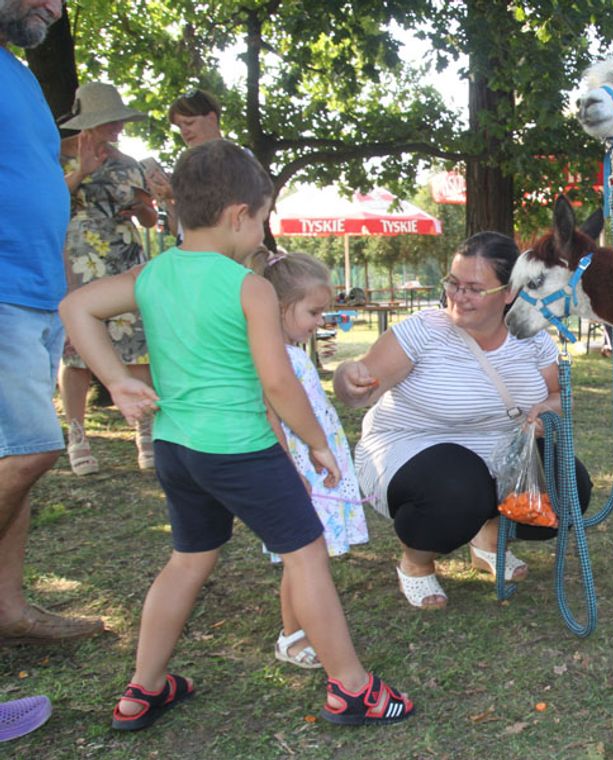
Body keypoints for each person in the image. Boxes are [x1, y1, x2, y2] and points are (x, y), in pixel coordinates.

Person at [59, 140, 412, 729]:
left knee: (187, 561)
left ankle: (143, 689)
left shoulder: (155, 274)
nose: (263, 231)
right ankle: (352, 688)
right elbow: (277, 382)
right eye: (264, 216)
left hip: (177, 450)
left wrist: (117, 379)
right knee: (307, 557)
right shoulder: (247, 287)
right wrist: (317, 442)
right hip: (241, 450)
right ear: (239, 216)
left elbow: (76, 307)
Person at [333, 232, 593, 610]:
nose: (457, 295)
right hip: (410, 450)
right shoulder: (423, 331)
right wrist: (347, 377)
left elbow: (559, 396)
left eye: (473, 288)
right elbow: (358, 389)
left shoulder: (533, 339)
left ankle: (488, 540)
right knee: (460, 485)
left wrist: (547, 411)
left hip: (501, 456)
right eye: (453, 283)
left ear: (509, 293)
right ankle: (416, 563)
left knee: (572, 487)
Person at [0, 0, 105, 645]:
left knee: (13, 455)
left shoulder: (20, 75)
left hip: (36, 295)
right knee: (33, 451)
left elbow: (39, 186)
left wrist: (66, 297)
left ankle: (8, 608)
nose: (56, 7)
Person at [254, 249, 369, 670]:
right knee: (301, 557)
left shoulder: (292, 353)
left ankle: (303, 628)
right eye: (314, 312)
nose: (320, 321)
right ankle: (292, 634)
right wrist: (289, 470)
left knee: (308, 557)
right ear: (281, 308)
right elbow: (271, 415)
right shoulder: (274, 360)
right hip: (299, 470)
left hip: (313, 467)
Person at [57, 82, 158, 475]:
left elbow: (151, 217)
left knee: (137, 344)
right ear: (90, 122)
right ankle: (77, 434)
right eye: (110, 120)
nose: (117, 127)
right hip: (81, 258)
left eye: (118, 120)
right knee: (76, 350)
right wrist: (82, 171)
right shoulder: (59, 157)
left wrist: (140, 207)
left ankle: (144, 430)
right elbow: (48, 201)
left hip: (125, 255)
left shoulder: (129, 162)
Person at [143, 88, 223, 239]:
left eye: (189, 123)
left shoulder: (239, 159)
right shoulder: (186, 166)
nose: (184, 131)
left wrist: (177, 193)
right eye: (180, 126)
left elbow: (226, 207)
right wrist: (165, 199)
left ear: (212, 119)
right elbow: (180, 234)